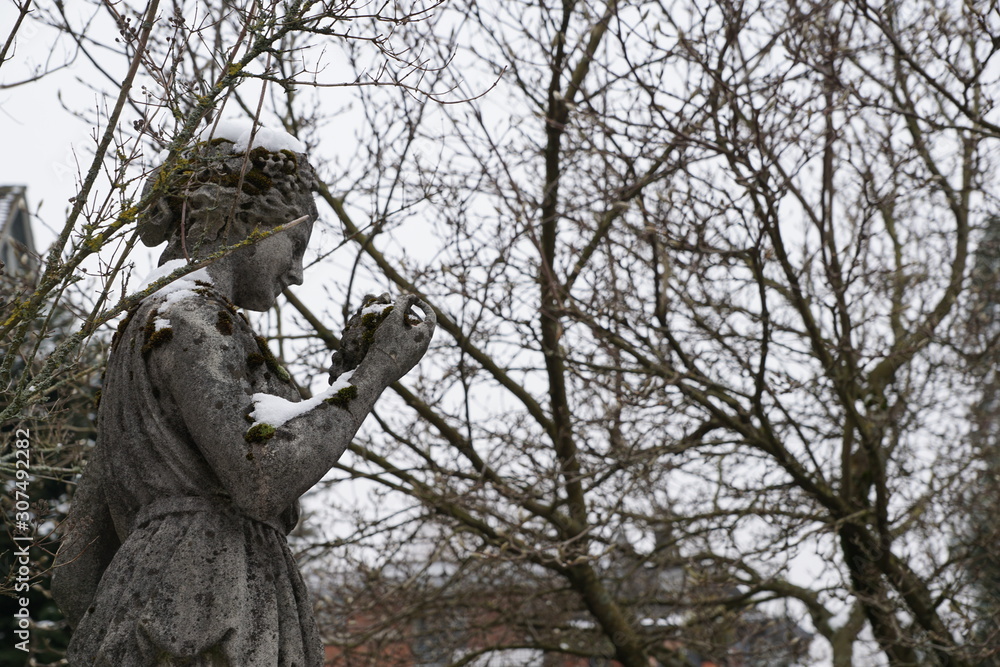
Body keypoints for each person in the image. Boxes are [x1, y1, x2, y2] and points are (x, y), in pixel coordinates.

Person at [52, 135, 434, 666]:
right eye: (295, 245)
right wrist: (374, 374)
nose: (298, 271)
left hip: (148, 605)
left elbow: (73, 570)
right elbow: (263, 476)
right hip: (215, 606)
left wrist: (343, 377)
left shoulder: (147, 333)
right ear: (243, 219)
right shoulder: (193, 316)